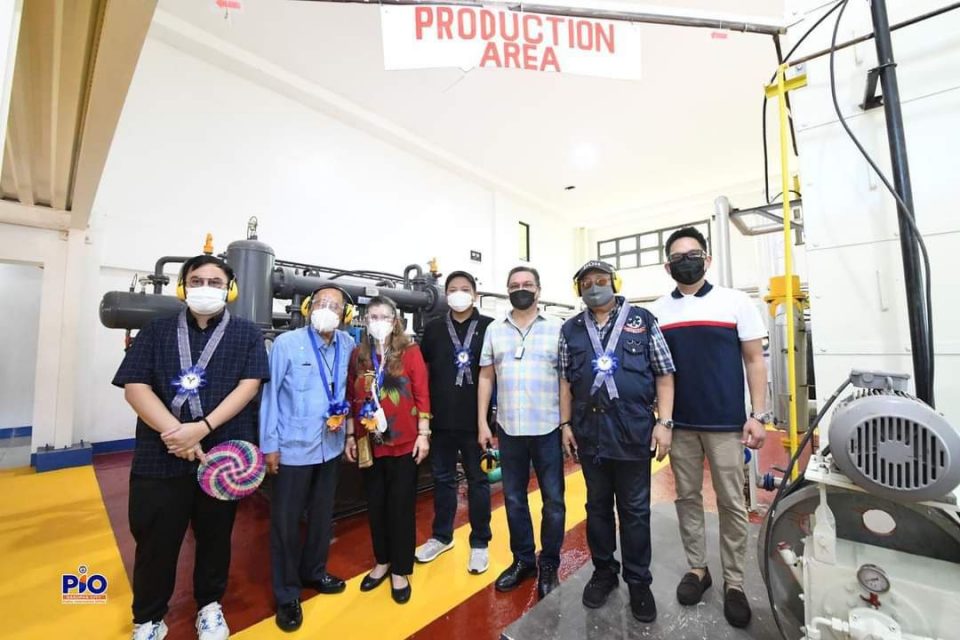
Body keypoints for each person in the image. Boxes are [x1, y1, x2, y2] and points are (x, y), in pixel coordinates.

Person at [112, 254, 269, 640]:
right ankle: (149, 617)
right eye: (197, 281)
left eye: (215, 282)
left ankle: (209, 605)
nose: (205, 288)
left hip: (221, 456)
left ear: (230, 290)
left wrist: (202, 428)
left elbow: (249, 386)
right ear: (183, 287)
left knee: (215, 536)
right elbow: (135, 387)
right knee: (156, 539)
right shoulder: (157, 330)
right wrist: (176, 433)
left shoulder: (247, 334)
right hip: (161, 453)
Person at [650, 227, 770, 629]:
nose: (686, 262)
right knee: (686, 498)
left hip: (726, 423)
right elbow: (657, 372)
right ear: (668, 267)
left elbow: (754, 360)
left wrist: (758, 414)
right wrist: (662, 421)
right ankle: (698, 569)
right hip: (680, 424)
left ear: (708, 259)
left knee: (732, 502)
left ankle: (734, 582)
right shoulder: (657, 312)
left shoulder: (735, 302)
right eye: (678, 257)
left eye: (693, 254)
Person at [559, 260, 676, 623]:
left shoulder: (642, 320)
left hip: (633, 432)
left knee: (635, 511)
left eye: (601, 280)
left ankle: (638, 581)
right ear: (579, 290)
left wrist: (665, 423)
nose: (594, 287)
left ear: (615, 283)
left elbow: (664, 374)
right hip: (589, 434)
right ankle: (604, 572)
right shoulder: (571, 329)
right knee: (596, 508)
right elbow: (565, 381)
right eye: (587, 283)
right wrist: (565, 423)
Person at [259, 285, 356, 632]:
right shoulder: (287, 344)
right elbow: (270, 395)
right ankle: (287, 594)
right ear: (307, 308)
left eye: (335, 305)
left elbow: (347, 390)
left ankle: (314, 572)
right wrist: (270, 444)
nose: (327, 309)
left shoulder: (347, 344)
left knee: (321, 516)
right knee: (286, 524)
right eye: (320, 303)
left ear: (345, 315)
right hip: (293, 447)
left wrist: (348, 434)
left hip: (329, 446)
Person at [478, 266, 565, 600]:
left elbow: (566, 380)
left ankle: (550, 564)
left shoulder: (557, 327)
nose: (521, 289)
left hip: (548, 428)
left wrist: (566, 424)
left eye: (527, 284)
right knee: (514, 499)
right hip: (509, 430)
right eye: (514, 285)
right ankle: (524, 560)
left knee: (553, 502)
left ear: (539, 290)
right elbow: (486, 377)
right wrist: (482, 423)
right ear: (507, 290)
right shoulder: (495, 330)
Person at [345, 296, 431, 604]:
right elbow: (351, 396)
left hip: (404, 442)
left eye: (385, 316)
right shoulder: (359, 355)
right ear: (365, 321)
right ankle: (382, 561)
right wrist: (350, 435)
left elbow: (422, 394)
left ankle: (400, 569)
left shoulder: (410, 352)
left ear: (395, 322)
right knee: (376, 504)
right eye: (373, 316)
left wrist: (423, 434)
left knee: (401, 506)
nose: (378, 321)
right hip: (370, 443)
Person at [415, 271, 494, 573]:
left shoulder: (490, 327)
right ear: (446, 294)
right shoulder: (434, 329)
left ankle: (480, 541)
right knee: (443, 479)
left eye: (464, 288)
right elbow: (422, 375)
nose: (458, 293)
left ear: (475, 294)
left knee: (479, 481)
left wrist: (490, 419)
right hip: (441, 421)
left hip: (477, 423)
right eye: (452, 289)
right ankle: (442, 536)